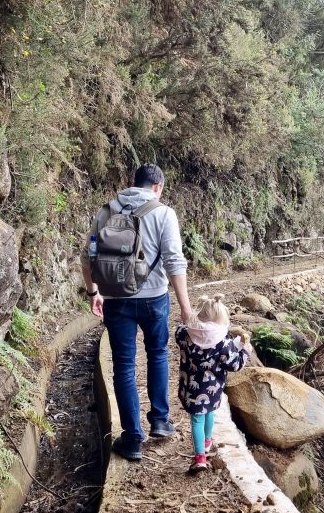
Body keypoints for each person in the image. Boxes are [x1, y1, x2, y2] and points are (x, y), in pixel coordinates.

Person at [80, 163, 192, 461]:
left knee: (124, 366)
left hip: (116, 300)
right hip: (155, 299)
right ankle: (160, 421)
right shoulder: (164, 213)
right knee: (157, 353)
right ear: (157, 187)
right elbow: (174, 262)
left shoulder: (106, 212)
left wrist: (94, 293)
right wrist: (185, 307)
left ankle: (131, 439)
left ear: (134, 184)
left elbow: (86, 257)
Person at [175, 296, 251, 473]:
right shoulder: (223, 344)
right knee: (209, 412)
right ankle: (205, 445)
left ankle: (200, 455)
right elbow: (235, 364)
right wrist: (245, 351)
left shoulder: (184, 334)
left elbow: (179, 332)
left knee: (196, 419)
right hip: (213, 390)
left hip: (190, 389)